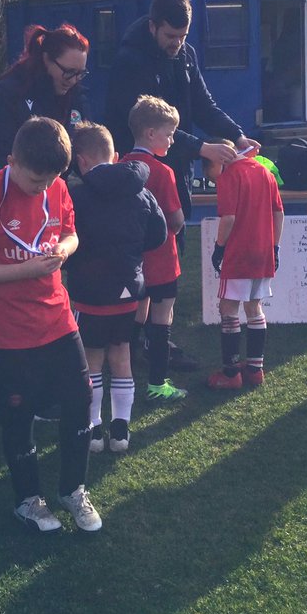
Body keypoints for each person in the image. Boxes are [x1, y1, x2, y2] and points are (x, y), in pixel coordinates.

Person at [0, 116, 101, 533]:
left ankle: (73, 490)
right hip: (10, 333)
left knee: (80, 401)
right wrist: (26, 270)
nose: (42, 188)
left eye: (50, 180)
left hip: (57, 318)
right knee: (19, 416)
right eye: (35, 180)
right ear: (12, 161)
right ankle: (28, 500)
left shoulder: (56, 187)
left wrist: (63, 250)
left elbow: (72, 234)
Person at [104, 0, 260, 370]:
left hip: (173, 169)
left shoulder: (186, 55)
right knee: (138, 259)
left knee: (173, 250)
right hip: (135, 172)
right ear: (154, 27)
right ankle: (131, 339)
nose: (177, 44)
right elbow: (153, 128)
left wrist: (237, 135)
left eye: (184, 36)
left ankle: (154, 340)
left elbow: (204, 105)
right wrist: (202, 148)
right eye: (171, 36)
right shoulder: (130, 61)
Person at [66, 122, 168, 453]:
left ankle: (94, 428)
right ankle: (121, 428)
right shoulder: (142, 191)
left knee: (92, 360)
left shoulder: (75, 196)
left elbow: (65, 242)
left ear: (80, 160)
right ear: (117, 156)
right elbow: (159, 235)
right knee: (121, 354)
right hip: (129, 291)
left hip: (89, 293)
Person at [122, 95, 189, 401]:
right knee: (162, 318)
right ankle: (157, 384)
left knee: (135, 312)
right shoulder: (163, 173)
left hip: (131, 261)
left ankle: (122, 374)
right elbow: (175, 219)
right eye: (169, 133)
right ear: (151, 134)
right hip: (161, 261)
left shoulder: (118, 166)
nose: (173, 140)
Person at [204, 139, 285, 390]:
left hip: (239, 252)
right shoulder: (264, 171)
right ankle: (255, 370)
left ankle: (231, 373)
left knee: (228, 307)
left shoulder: (229, 177)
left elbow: (228, 218)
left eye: (209, 172)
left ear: (220, 159)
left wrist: (219, 247)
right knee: (254, 306)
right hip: (263, 252)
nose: (211, 178)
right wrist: (275, 247)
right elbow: (278, 213)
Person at [0, 23, 89, 194]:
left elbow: (84, 150)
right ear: (46, 59)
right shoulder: (6, 95)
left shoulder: (75, 97)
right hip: (5, 197)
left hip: (50, 199)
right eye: (68, 71)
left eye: (80, 73)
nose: (73, 80)